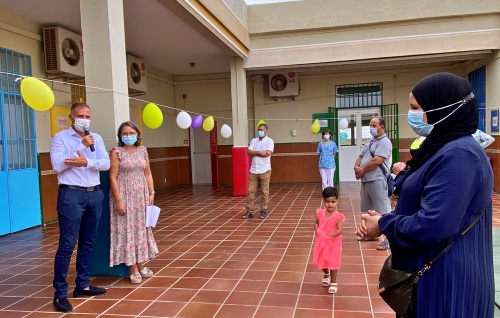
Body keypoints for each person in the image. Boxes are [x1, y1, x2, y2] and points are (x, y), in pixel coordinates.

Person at [356, 72, 494, 317]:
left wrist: (384, 223)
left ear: (443, 109)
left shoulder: (460, 154)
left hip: (447, 283)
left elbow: (433, 224)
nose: (412, 115)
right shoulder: (441, 147)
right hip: (432, 274)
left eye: (415, 108)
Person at [50, 103, 110, 312]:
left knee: (88, 242)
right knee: (67, 244)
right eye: (81, 116)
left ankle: (82, 285)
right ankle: (59, 294)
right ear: (71, 117)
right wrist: (82, 147)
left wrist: (86, 162)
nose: (85, 119)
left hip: (94, 193)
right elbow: (57, 164)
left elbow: (105, 163)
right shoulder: (60, 138)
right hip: (71, 194)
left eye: (88, 116)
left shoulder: (97, 137)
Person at [109, 121, 159, 284]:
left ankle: (140, 263)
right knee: (127, 231)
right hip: (124, 195)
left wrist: (151, 193)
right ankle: (132, 267)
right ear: (120, 136)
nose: (128, 136)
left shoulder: (143, 151)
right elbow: (113, 177)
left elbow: (148, 173)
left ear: (137, 134)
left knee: (141, 229)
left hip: (141, 196)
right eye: (125, 133)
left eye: (131, 133)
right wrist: (119, 201)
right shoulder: (117, 152)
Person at [353, 116, 392, 248]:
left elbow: (377, 161)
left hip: (377, 179)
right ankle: (370, 233)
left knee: (383, 210)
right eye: (370, 125)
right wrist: (356, 168)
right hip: (366, 180)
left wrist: (362, 170)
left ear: (382, 127)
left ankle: (388, 238)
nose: (371, 128)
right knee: (368, 210)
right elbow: (361, 156)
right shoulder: (370, 141)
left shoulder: (385, 142)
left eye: (374, 125)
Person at [313, 187, 345, 294]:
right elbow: (316, 223)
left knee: (333, 262)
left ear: (337, 201)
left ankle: (334, 282)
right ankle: (326, 273)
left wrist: (328, 236)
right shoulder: (321, 213)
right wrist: (317, 231)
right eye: (327, 202)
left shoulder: (338, 216)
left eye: (333, 202)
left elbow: (340, 230)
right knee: (321, 260)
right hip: (321, 242)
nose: (330, 204)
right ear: (323, 201)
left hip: (333, 243)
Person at [242, 123, 274, 219]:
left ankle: (263, 210)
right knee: (250, 191)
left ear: (266, 130)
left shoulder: (270, 141)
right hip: (253, 170)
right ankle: (249, 211)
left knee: (264, 192)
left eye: (261, 129)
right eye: (258, 129)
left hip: (265, 170)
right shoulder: (254, 141)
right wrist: (259, 152)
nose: (259, 131)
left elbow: (267, 153)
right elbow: (248, 152)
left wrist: (255, 153)